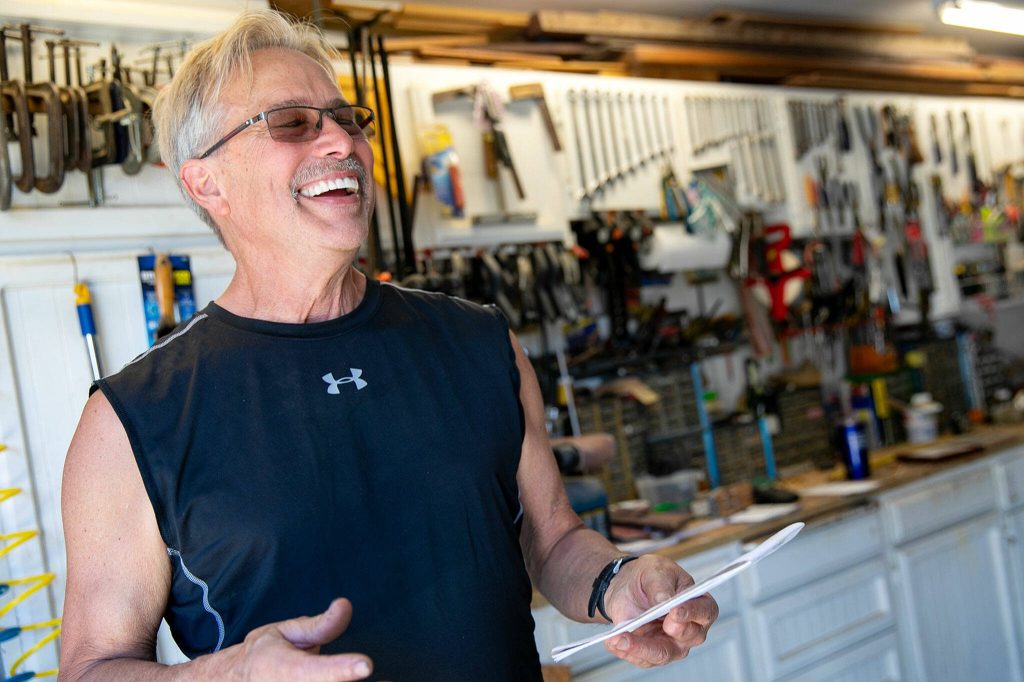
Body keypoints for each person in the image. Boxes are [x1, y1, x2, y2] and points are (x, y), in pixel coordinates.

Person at [58, 9, 717, 681]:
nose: (341, 143)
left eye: (347, 119)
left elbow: (555, 543)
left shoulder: (478, 341)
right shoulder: (134, 418)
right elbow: (91, 669)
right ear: (206, 182)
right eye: (292, 123)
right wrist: (227, 676)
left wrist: (619, 584)